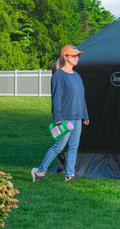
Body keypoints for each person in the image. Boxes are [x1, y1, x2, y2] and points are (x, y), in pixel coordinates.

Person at [32, 45, 90, 182]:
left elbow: (81, 97)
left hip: (77, 117)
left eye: (78, 55)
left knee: (74, 146)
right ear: (65, 57)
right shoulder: (59, 75)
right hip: (65, 119)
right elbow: (56, 98)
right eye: (74, 55)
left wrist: (85, 115)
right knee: (58, 146)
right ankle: (39, 172)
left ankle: (69, 175)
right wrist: (57, 117)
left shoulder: (76, 76)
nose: (77, 58)